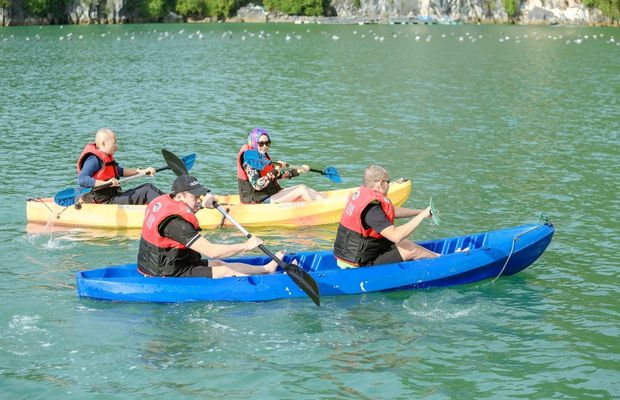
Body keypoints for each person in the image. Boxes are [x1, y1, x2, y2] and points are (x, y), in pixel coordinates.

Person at [137, 174, 282, 278]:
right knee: (225, 271)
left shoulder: (169, 200)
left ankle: (266, 269)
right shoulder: (176, 224)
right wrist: (246, 246)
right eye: (196, 197)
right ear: (180, 196)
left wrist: (205, 203)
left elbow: (185, 208)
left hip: (170, 262)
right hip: (165, 272)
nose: (199, 201)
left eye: (200, 197)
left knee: (218, 264)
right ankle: (272, 284)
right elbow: (212, 251)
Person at [333, 164, 439, 268]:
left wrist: (419, 212)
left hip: (347, 255)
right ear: (381, 183)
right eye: (388, 182)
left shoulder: (362, 195)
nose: (389, 185)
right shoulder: (372, 210)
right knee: (411, 249)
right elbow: (396, 236)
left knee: (404, 243)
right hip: (359, 264)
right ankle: (443, 262)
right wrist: (422, 216)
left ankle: (438, 257)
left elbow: (391, 212)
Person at [236, 127, 327, 204]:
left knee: (305, 189)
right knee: (301, 190)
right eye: (261, 143)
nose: (265, 146)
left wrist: (297, 171)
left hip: (270, 194)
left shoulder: (261, 156)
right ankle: (325, 207)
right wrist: (275, 169)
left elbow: (276, 175)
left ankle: (326, 202)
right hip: (258, 200)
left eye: (267, 143)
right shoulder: (249, 161)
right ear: (254, 143)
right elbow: (257, 185)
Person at [77, 128, 164, 204]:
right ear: (103, 144)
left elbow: (120, 171)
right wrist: (106, 183)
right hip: (104, 201)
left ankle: (170, 201)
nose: (116, 146)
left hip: (114, 196)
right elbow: (82, 179)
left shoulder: (106, 158)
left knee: (149, 187)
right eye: (114, 143)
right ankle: (168, 208)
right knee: (147, 190)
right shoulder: (93, 160)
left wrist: (142, 171)